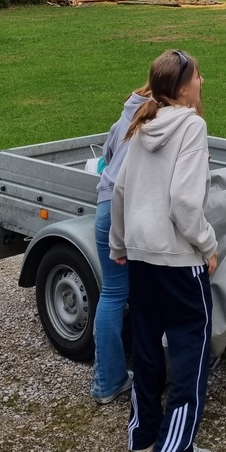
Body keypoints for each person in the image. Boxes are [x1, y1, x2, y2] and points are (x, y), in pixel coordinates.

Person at [109, 49, 218, 452]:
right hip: (178, 260)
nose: (202, 81)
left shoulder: (143, 122)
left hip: (140, 257)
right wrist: (208, 245)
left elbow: (119, 190)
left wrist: (119, 243)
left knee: (147, 347)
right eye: (198, 76)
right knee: (192, 351)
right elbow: (185, 203)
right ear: (183, 88)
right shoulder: (191, 126)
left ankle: (142, 435)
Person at [90, 82, 150, 405]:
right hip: (128, 210)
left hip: (104, 207)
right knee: (139, 293)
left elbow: (108, 155)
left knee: (112, 293)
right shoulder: (163, 116)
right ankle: (139, 375)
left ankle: (107, 380)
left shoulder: (128, 113)